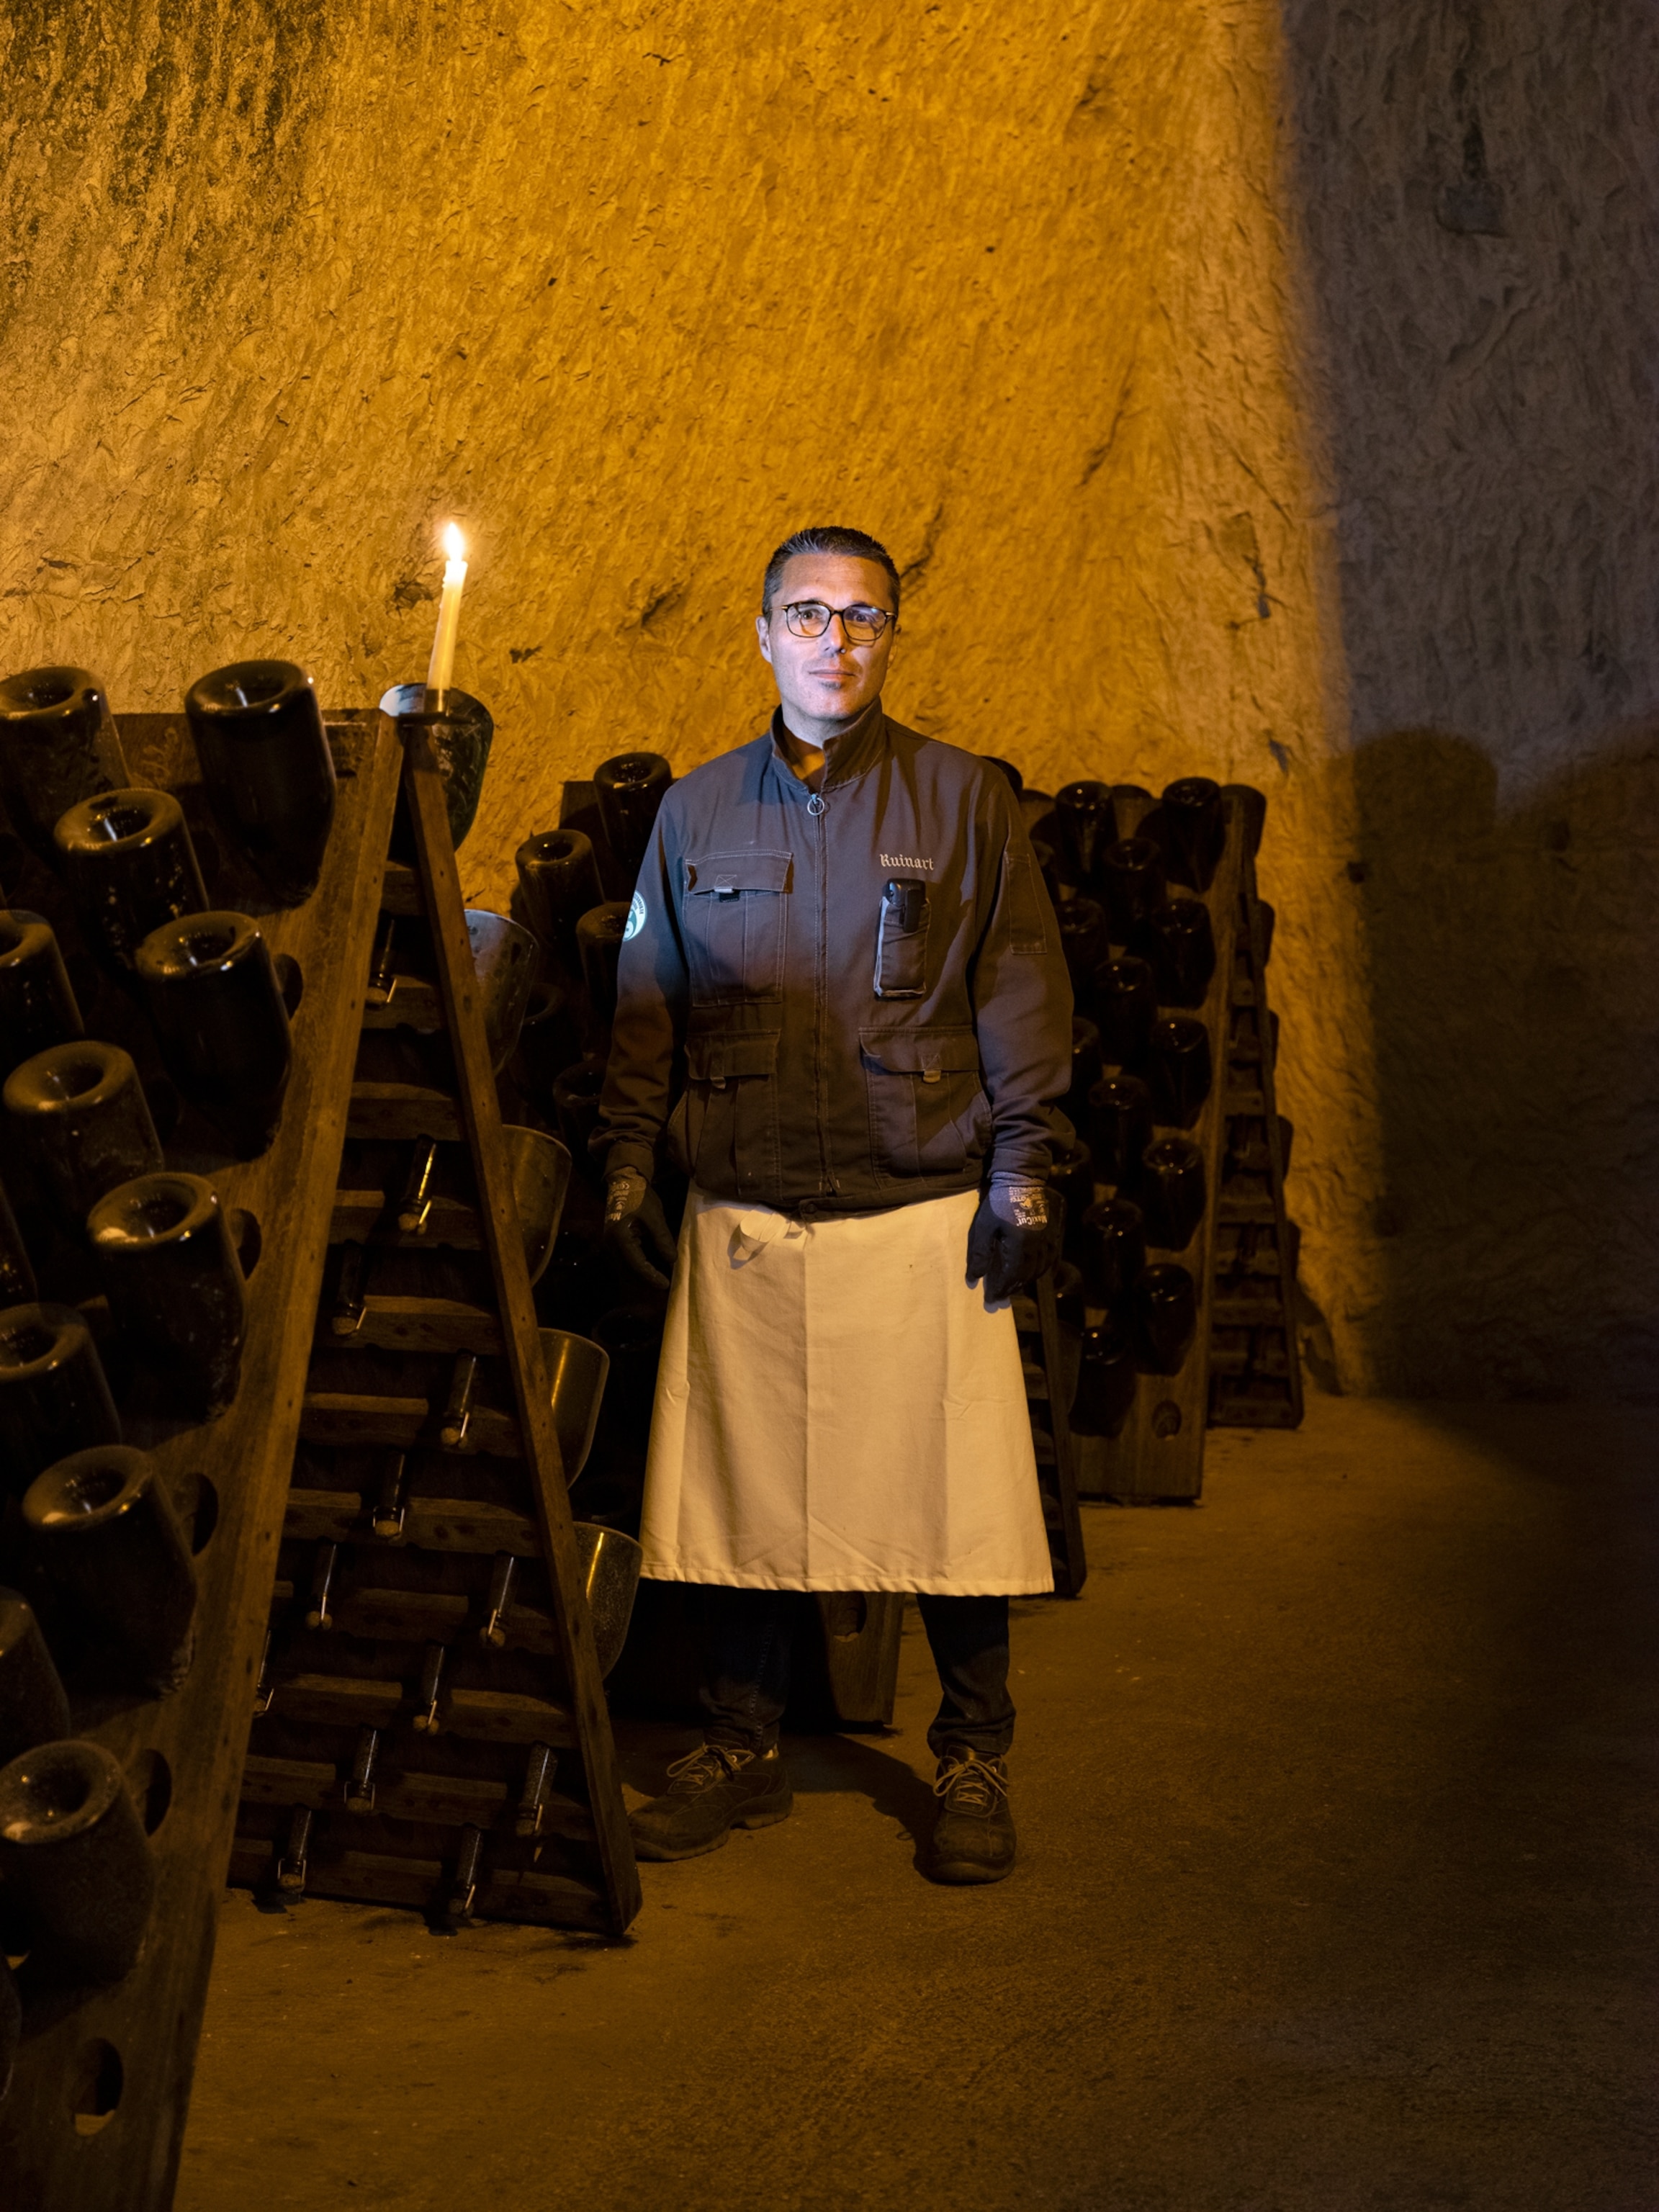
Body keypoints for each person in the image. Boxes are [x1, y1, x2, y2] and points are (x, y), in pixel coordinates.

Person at [593, 523, 1072, 1884]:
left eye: (862, 619)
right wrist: (630, 1153)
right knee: (748, 1500)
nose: (835, 641)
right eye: (808, 616)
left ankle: (973, 1755)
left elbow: (1022, 987)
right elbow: (646, 1006)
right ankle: (740, 1747)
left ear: (890, 639)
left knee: (955, 1500)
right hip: (749, 1202)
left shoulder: (963, 797)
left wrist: (1024, 1167)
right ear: (761, 635)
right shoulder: (693, 812)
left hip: (916, 1197)